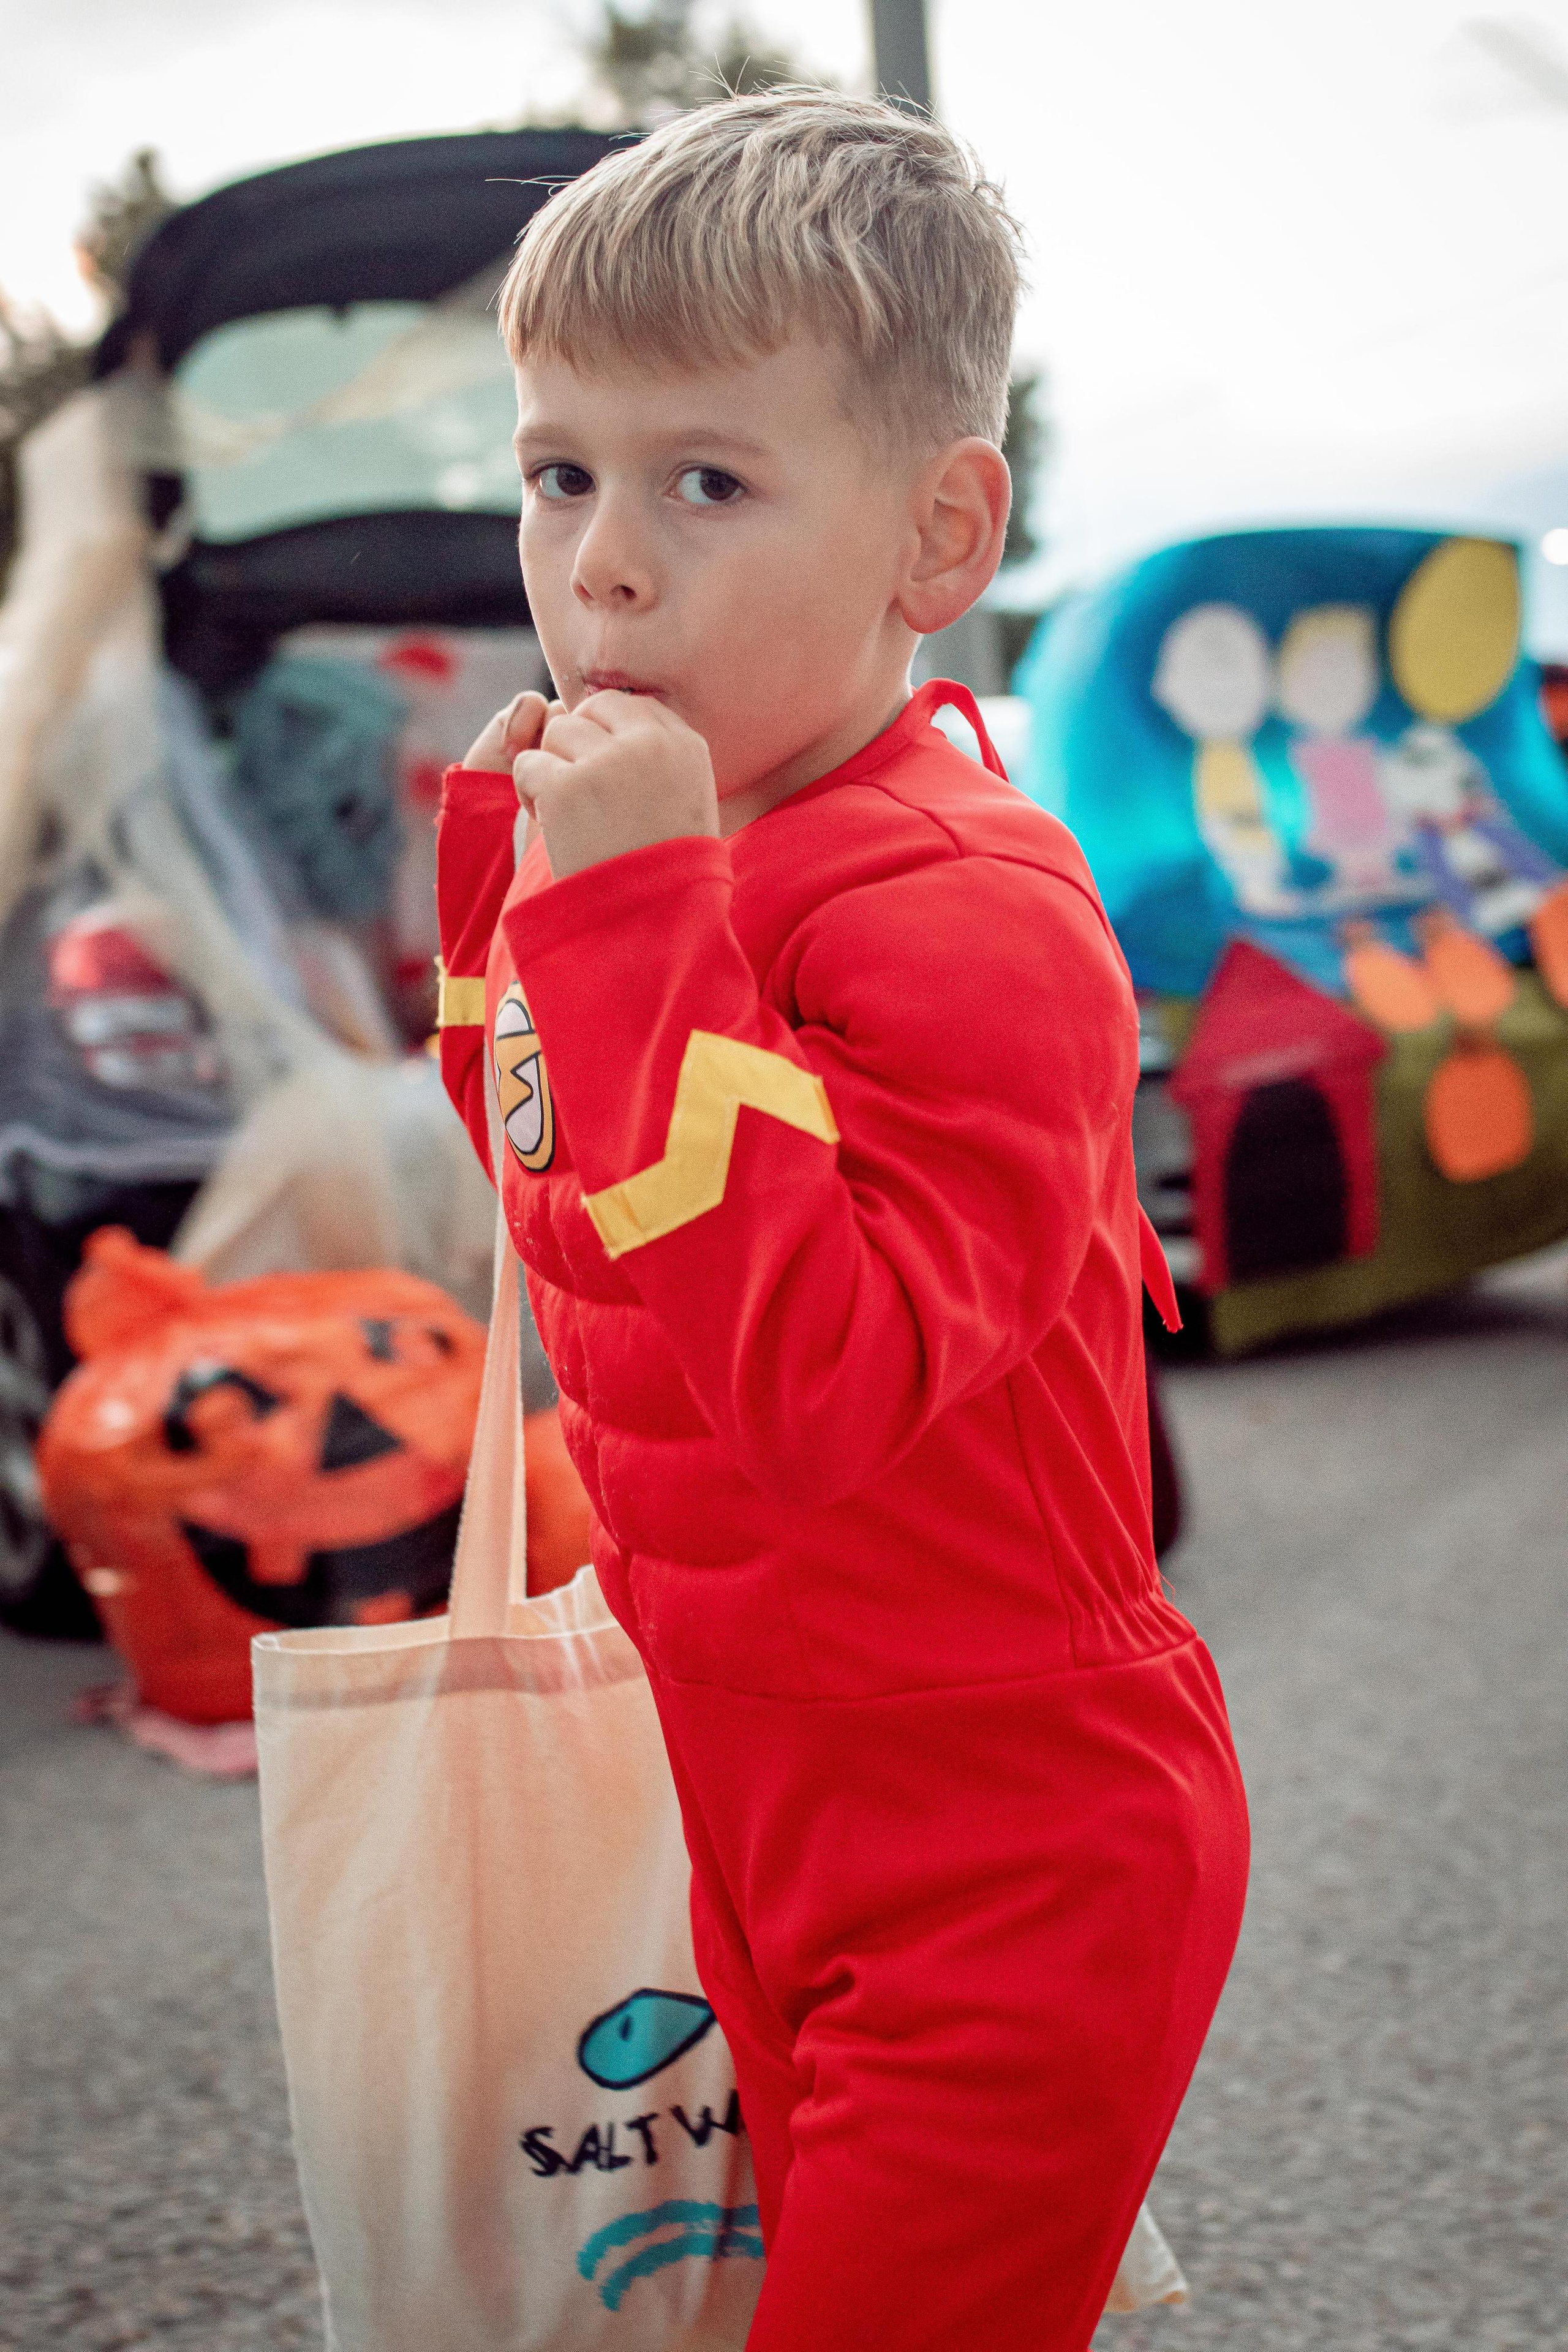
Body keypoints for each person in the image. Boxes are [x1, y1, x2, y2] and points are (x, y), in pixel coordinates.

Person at [435, 89, 1249, 2350]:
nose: (600, 560)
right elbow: (565, 1217)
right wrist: (517, 901)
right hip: (760, 1818)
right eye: (557, 469)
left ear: (940, 531)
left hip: (1015, 1859)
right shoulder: (675, 862)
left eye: (706, 479)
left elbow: (812, 1392)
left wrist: (620, 930)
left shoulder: (972, 911)